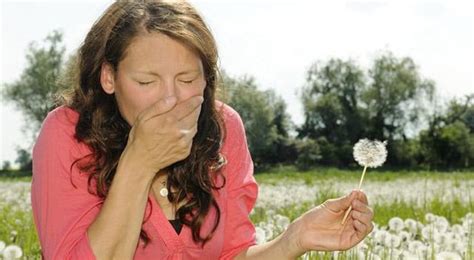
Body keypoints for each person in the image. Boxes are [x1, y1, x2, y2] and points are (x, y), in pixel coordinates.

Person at [30, 0, 374, 259]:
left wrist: (293, 240)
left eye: (187, 79)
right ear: (109, 77)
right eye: (146, 81)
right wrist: (139, 164)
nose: (170, 98)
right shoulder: (68, 134)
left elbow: (232, 254)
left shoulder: (223, 129)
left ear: (207, 79)